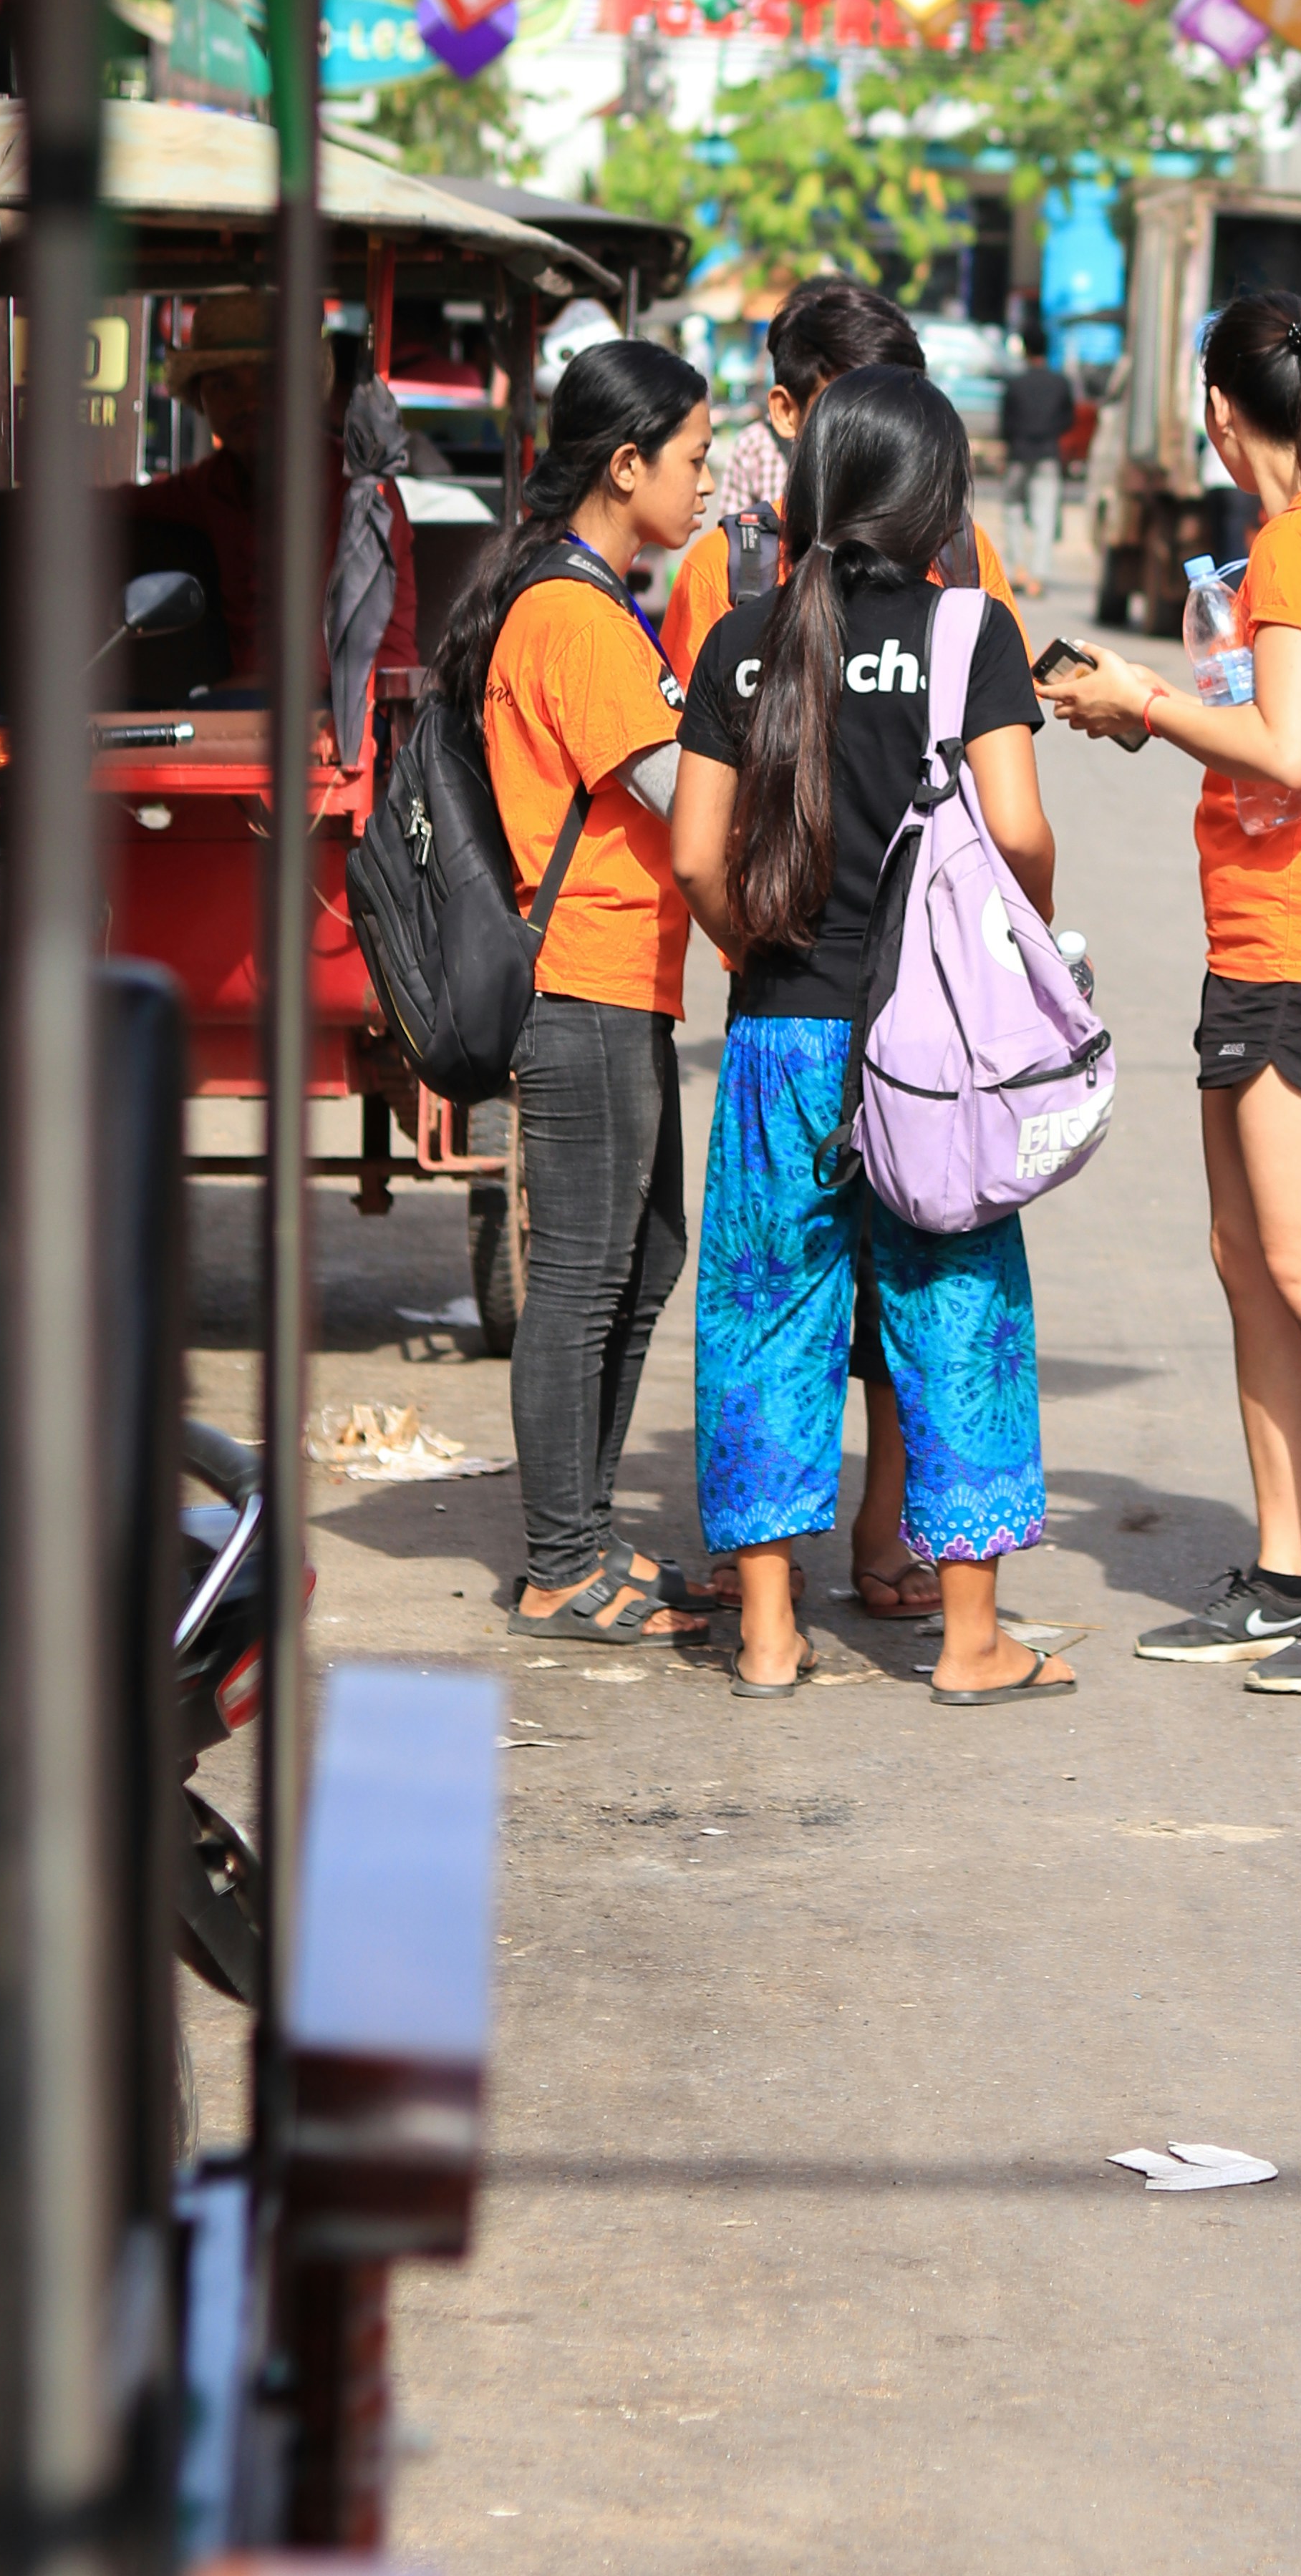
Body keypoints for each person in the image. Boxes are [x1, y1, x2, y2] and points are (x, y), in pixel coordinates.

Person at [1044, 292, 1301, 1694]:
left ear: (1219, 410)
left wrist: (1138, 704)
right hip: (1265, 941)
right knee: (1249, 1266)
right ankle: (1284, 1570)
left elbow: (1284, 745)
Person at [669, 371, 1072, 1707]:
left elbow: (693, 857)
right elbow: (1013, 832)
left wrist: (757, 950)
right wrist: (1019, 939)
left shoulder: (745, 636)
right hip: (932, 1052)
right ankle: (969, 1645)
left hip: (782, 1037)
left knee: (763, 1314)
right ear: (935, 498)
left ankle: (770, 1634)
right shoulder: (973, 634)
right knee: (955, 1313)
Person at [440, 339, 719, 1648]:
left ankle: (591, 1532)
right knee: (584, 1277)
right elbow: (677, 796)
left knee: (641, 1259)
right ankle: (559, 1563)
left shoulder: (593, 601)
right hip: (584, 983)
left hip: (627, 980)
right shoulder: (574, 615)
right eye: (695, 458)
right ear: (626, 465)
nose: (708, 482)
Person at [662, 277, 1017, 688]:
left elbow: (1000, 726)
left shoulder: (959, 554)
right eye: (851, 410)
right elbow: (689, 740)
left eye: (899, 407)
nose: (879, 431)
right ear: (785, 412)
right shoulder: (724, 569)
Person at [131, 292, 417, 693]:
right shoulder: (215, 481)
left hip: (358, 715)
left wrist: (208, 705)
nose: (247, 402)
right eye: (224, 385)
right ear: (201, 397)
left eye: (267, 381)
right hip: (250, 712)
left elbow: (319, 659)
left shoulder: (354, 487)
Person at [1000, 310, 1078, 598]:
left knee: (1012, 510)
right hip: (1048, 454)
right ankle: (1038, 577)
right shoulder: (1059, 383)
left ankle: (1018, 568)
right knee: (1045, 517)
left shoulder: (1015, 383)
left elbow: (1005, 423)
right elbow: (1068, 419)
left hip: (1019, 454)